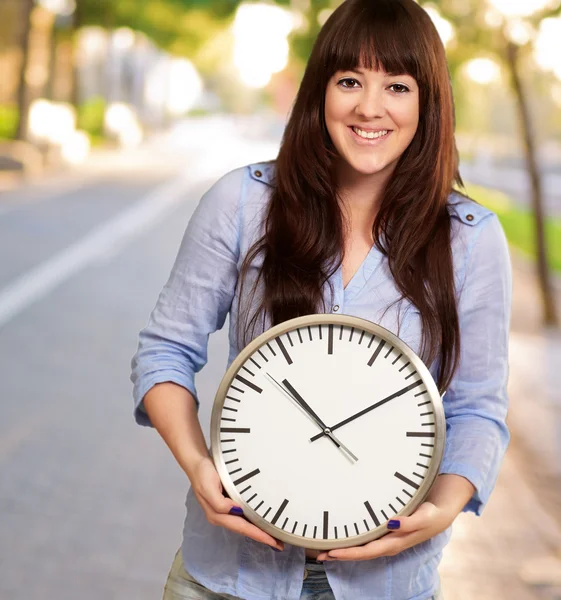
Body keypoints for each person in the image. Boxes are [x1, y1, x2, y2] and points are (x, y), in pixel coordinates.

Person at [130, 0, 512, 598]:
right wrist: (201, 468)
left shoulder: (470, 237)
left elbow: (477, 407)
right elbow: (164, 352)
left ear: (428, 102)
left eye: (398, 85)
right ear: (320, 92)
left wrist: (440, 509)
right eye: (350, 81)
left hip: (388, 582)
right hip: (230, 578)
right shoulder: (242, 203)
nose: (370, 107)